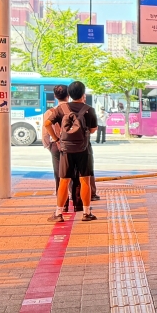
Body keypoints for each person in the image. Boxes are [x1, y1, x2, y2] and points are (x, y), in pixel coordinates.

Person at [45, 80, 98, 222]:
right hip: (83, 149)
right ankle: (86, 213)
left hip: (66, 150)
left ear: (69, 94)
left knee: (64, 180)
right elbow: (93, 130)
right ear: (83, 93)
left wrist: (56, 138)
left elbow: (47, 123)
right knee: (84, 180)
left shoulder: (61, 109)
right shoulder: (89, 109)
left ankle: (59, 213)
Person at [42, 84, 81, 212]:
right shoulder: (74, 110)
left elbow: (45, 132)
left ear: (55, 96)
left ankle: (62, 205)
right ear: (68, 95)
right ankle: (78, 203)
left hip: (56, 145)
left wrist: (52, 144)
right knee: (75, 174)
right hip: (72, 145)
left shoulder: (50, 112)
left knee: (59, 175)